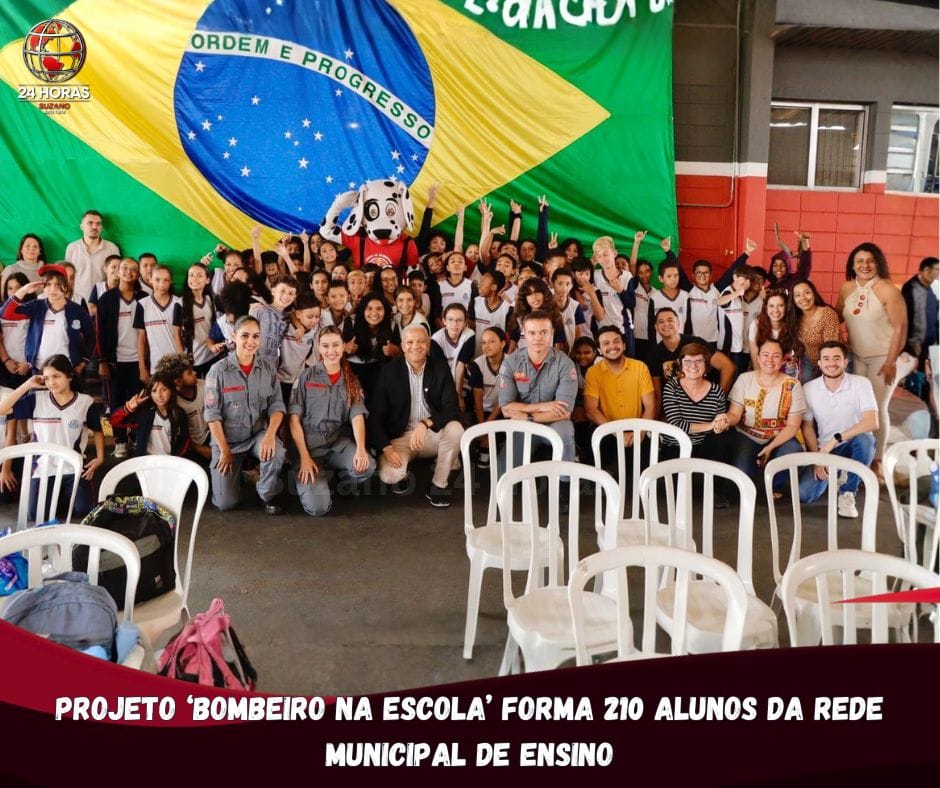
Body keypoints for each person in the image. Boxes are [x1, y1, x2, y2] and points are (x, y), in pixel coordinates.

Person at [368, 323, 464, 507]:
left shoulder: (440, 368)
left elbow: (452, 408)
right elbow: (376, 415)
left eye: (421, 341)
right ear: (403, 346)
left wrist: (426, 423)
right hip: (400, 438)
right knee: (390, 475)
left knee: (455, 429)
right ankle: (405, 471)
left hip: (430, 434)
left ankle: (439, 483)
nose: (416, 346)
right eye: (410, 342)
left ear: (428, 344)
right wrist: (386, 448)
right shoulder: (389, 372)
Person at [0, 354, 104, 518]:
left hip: (73, 465)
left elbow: (97, 430)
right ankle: (60, 495)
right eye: (47, 378)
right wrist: (27, 385)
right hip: (43, 467)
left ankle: (62, 494)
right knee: (35, 514)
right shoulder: (36, 399)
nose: (51, 382)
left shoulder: (85, 401)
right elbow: (2, 410)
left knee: (84, 511)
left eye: (56, 376)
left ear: (69, 376)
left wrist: (100, 458)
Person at [836, 242, 908, 476]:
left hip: (882, 358)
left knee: (876, 409)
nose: (865, 265)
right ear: (852, 265)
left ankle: (877, 461)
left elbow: (900, 328)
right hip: (856, 355)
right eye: (859, 261)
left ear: (878, 262)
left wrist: (891, 362)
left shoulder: (888, 289)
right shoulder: (847, 288)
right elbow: (835, 317)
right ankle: (858, 454)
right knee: (855, 409)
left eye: (870, 260)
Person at [288, 327, 376, 516]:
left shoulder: (351, 381)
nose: (331, 351)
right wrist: (304, 457)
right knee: (318, 509)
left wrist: (360, 449)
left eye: (336, 345)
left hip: (335, 444)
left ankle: (342, 478)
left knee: (366, 466)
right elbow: (293, 419)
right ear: (319, 348)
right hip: (308, 449)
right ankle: (311, 480)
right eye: (325, 346)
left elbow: (357, 416)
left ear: (343, 346)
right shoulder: (305, 377)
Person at [203, 315, 286, 514]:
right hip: (227, 442)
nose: (251, 342)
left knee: (277, 450)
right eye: (245, 336)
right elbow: (212, 415)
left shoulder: (268, 368)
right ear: (234, 336)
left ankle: (266, 494)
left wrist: (269, 436)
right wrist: (224, 450)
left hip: (256, 436)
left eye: (256, 336)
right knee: (225, 504)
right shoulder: (218, 371)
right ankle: (239, 475)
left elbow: (277, 407)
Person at [797, 341, 878, 518]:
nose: (831, 363)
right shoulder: (809, 388)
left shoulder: (861, 383)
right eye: (826, 358)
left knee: (866, 440)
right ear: (819, 363)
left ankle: (847, 493)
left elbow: (872, 422)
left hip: (854, 444)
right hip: (827, 451)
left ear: (845, 362)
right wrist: (817, 458)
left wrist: (836, 439)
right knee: (805, 494)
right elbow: (807, 427)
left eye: (836, 358)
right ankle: (841, 473)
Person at [498, 310, 579, 462]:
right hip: (524, 424)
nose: (538, 338)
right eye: (532, 332)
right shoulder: (510, 363)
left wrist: (528, 417)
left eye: (543, 332)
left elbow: (564, 413)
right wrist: (547, 405)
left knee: (565, 431)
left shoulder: (565, 364)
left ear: (552, 332)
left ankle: (566, 482)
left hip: (554, 423)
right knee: (504, 469)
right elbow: (506, 409)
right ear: (524, 333)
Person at [726, 339, 806, 489]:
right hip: (747, 436)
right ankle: (758, 481)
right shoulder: (744, 379)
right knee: (742, 475)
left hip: (779, 438)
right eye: (765, 355)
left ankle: (772, 485)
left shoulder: (793, 385)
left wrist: (770, 447)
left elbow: (793, 425)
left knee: (792, 452)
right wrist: (725, 420)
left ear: (783, 360)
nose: (770, 360)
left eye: (776, 356)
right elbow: (734, 415)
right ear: (757, 357)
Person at [2, 264, 94, 375]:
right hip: (39, 369)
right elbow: (5, 314)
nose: (52, 289)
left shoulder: (77, 310)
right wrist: (24, 290)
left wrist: (82, 364)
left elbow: (91, 337)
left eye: (57, 284)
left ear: (65, 286)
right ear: (43, 287)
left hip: (68, 371)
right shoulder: (36, 307)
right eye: (48, 284)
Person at [584, 325, 656, 466]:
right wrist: (617, 433)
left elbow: (650, 405)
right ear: (599, 350)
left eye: (616, 341)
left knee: (644, 476)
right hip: (607, 431)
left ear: (624, 345)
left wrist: (640, 431)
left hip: (638, 430)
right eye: (606, 343)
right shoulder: (593, 372)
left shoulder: (640, 367)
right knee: (604, 476)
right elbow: (591, 410)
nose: (612, 346)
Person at [96, 257, 145, 458]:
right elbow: (99, 332)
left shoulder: (144, 298)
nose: (128, 272)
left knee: (138, 402)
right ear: (117, 272)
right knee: (116, 403)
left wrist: (145, 364)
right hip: (115, 362)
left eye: (134, 269)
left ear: (138, 274)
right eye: (125, 268)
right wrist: (102, 361)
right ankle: (120, 440)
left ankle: (135, 437)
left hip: (138, 362)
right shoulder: (107, 299)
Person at [646, 307, 735, 416]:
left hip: (704, 403)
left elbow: (728, 367)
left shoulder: (695, 343)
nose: (666, 324)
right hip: (678, 408)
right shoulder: (654, 355)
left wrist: (717, 399)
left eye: (670, 320)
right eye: (661, 322)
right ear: (656, 327)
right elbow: (657, 394)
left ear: (678, 323)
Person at [109, 372, 191, 458]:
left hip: (169, 462)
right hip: (146, 462)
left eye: (163, 390)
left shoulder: (179, 413)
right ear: (150, 392)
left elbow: (185, 439)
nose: (159, 395)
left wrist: (177, 457)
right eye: (154, 391)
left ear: (171, 390)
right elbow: (114, 422)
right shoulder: (144, 413)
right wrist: (128, 408)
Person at [154, 352, 212, 466]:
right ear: (178, 381)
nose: (195, 373)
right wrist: (200, 449)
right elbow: (179, 436)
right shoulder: (172, 401)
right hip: (189, 446)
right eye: (190, 372)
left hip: (209, 435)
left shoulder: (204, 385)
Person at [343, 293, 399, 401]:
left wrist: (394, 350)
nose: (374, 313)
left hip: (380, 369)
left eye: (379, 309)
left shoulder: (391, 324)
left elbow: (400, 351)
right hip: (353, 370)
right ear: (363, 310)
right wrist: (345, 348)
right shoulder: (352, 321)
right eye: (369, 309)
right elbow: (339, 351)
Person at [135, 264, 183, 380]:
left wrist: (184, 365)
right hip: (156, 367)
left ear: (171, 281)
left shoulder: (179, 303)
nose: (161, 284)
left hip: (178, 365)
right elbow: (141, 338)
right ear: (150, 280)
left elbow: (181, 335)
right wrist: (142, 367)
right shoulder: (142, 304)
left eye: (166, 280)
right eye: (157, 280)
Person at [467, 326, 507, 468]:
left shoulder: (511, 363)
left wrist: (485, 429)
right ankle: (485, 443)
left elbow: (505, 399)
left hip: (502, 410)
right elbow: (477, 400)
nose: (486, 346)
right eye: (483, 342)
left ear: (502, 344)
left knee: (501, 430)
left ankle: (494, 443)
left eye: (491, 342)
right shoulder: (477, 364)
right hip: (481, 412)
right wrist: (482, 427)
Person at [64, 210, 121, 302]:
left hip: (104, 299)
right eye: (90, 223)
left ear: (101, 227)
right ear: (81, 226)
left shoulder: (112, 248)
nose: (95, 226)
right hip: (77, 300)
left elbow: (118, 275)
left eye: (98, 224)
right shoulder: (72, 248)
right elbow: (67, 276)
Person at [790, 278, 840, 383]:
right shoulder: (796, 318)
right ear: (793, 299)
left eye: (807, 292)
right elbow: (800, 344)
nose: (803, 298)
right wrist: (795, 356)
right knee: (805, 390)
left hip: (834, 360)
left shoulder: (827, 314)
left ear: (814, 294)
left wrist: (824, 369)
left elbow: (831, 346)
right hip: (810, 360)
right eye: (797, 295)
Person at [748, 288, 801, 378]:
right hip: (761, 370)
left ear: (786, 307)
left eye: (780, 305)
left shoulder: (792, 325)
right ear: (766, 308)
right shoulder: (756, 325)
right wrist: (762, 379)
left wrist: (794, 358)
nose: (776, 310)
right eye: (771, 306)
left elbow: (796, 351)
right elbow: (755, 358)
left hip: (784, 370)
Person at [901, 256, 938, 362]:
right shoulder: (913, 289)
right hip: (917, 346)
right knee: (916, 376)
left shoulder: (927, 287)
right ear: (927, 270)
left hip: (928, 344)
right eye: (937, 270)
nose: (938, 274)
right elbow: (916, 318)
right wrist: (914, 343)